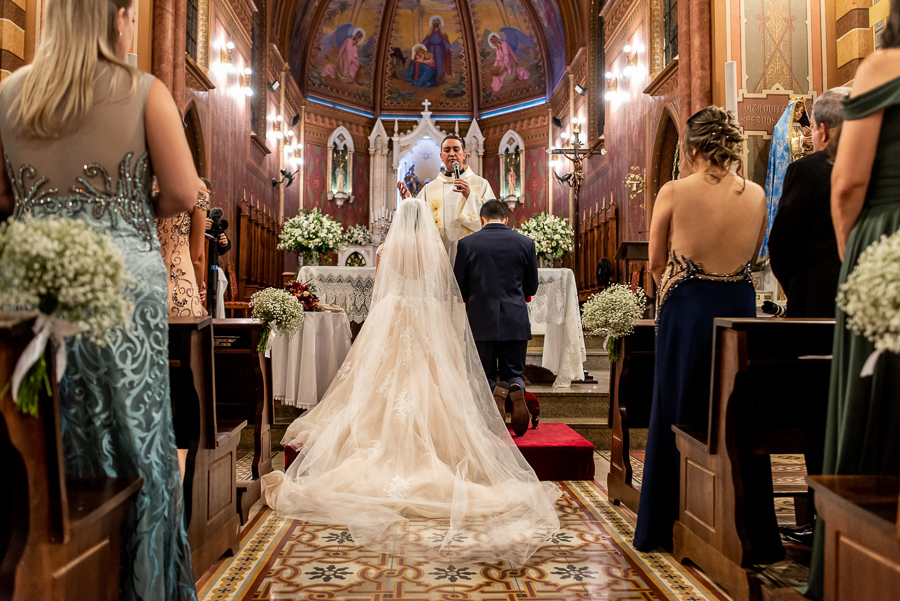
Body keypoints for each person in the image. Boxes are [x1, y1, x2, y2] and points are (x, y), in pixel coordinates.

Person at [0, 0, 201, 599]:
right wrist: (126, 213)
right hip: (121, 285)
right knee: (137, 441)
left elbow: (2, 198)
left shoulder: (8, 94)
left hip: (29, 281)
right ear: (116, 18)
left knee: (42, 437)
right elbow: (184, 192)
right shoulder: (145, 93)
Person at [260, 199, 560, 567]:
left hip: (392, 313)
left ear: (400, 219)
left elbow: (380, 290)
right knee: (434, 378)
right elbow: (444, 290)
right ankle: (503, 391)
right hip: (426, 315)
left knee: (379, 378)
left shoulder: (387, 248)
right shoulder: (434, 247)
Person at [634, 106, 781, 562]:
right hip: (738, 305)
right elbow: (753, 256)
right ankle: (751, 530)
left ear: (693, 147)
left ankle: (668, 519)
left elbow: (655, 262)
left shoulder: (674, 191)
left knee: (678, 405)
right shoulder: (756, 194)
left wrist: (680, 288)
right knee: (737, 412)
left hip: (687, 309)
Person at [807, 9, 900, 597]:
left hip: (886, 245)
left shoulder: (884, 65)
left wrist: (855, 261)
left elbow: (847, 185)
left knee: (874, 400)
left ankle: (859, 570)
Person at [454, 200, 538, 436]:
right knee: (515, 371)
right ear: (506, 219)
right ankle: (515, 386)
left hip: (480, 320)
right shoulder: (525, 243)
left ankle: (494, 391)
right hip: (515, 319)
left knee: (483, 374)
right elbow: (531, 286)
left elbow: (459, 287)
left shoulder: (467, 243)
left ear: (481, 220)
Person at [769, 88, 849, 319]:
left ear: (823, 131)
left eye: (812, 128)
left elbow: (782, 243)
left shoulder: (805, 170)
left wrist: (797, 286)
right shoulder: (876, 166)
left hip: (816, 298)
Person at [397, 134, 496, 263]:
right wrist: (408, 201)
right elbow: (417, 218)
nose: (452, 154)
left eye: (456, 149)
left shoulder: (480, 184)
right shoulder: (430, 188)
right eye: (447, 150)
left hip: (472, 253)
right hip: (438, 256)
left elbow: (494, 218)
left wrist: (469, 196)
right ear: (441, 156)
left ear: (464, 154)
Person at [156, 179, 209, 316]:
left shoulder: (130, 186)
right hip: (181, 290)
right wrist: (198, 292)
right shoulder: (196, 187)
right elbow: (196, 258)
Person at [422, 16, 452, 83]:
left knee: (439, 63)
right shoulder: (430, 32)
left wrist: (448, 48)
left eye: (437, 21)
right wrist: (422, 46)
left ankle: (440, 78)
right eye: (434, 21)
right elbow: (427, 40)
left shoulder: (442, 32)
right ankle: (431, 78)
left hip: (439, 50)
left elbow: (445, 41)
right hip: (431, 49)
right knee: (431, 62)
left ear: (439, 22)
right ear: (432, 23)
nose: (435, 22)